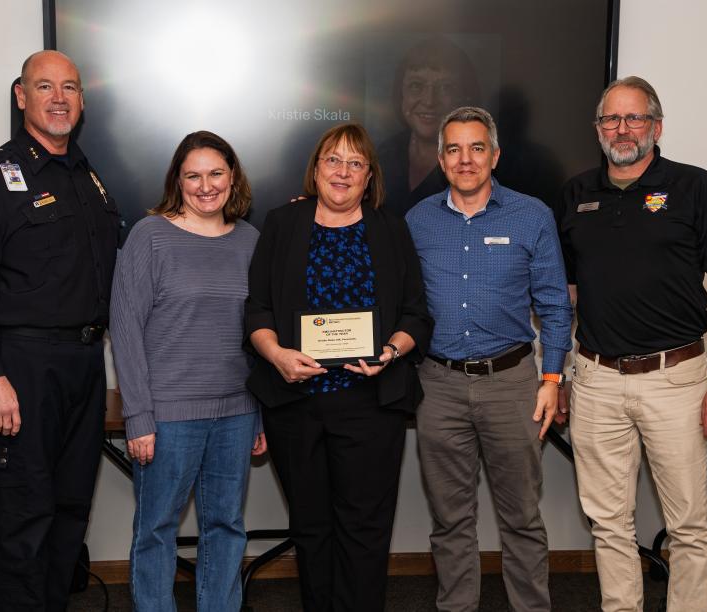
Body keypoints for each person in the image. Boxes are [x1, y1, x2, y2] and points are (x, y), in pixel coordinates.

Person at [557, 76, 707, 612]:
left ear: (656, 126)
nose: (622, 129)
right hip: (596, 380)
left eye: (634, 118)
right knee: (608, 524)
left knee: (688, 524)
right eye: (610, 120)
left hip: (677, 380)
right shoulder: (576, 193)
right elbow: (568, 294)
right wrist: (559, 372)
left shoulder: (695, 187)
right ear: (598, 129)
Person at [0, 50, 120, 610]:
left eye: (70, 87)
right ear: (22, 96)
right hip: (21, 371)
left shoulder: (89, 180)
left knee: (69, 517)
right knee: (22, 521)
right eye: (45, 87)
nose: (59, 98)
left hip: (84, 368)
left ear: (82, 100)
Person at [244, 123, 432, 611]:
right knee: (311, 528)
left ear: (369, 176)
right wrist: (279, 356)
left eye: (355, 163)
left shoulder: (391, 228)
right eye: (333, 160)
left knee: (364, 530)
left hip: (371, 401)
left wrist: (389, 353)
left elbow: (416, 313)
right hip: (296, 401)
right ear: (316, 169)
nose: (343, 172)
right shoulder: (282, 225)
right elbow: (257, 310)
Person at [405, 106, 571, 612]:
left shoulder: (531, 215)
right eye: (453, 149)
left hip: (513, 383)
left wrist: (552, 379)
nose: (466, 159)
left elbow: (554, 304)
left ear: (494, 155)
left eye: (477, 148)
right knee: (450, 520)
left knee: (521, 517)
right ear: (440, 159)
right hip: (439, 386)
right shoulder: (418, 220)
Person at [110, 131, 267, 611]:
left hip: (236, 413)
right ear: (177, 181)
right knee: (155, 530)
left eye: (216, 173)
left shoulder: (250, 240)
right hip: (168, 416)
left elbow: (259, 332)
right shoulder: (149, 235)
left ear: (233, 176)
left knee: (226, 528)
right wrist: (138, 416)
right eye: (193, 175)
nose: (205, 186)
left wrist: (259, 412)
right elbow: (125, 328)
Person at [377, 37, 480, 217]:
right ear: (401, 93)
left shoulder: (480, 165)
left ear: (464, 96)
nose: (429, 101)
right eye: (416, 86)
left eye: (446, 87)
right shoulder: (380, 155)